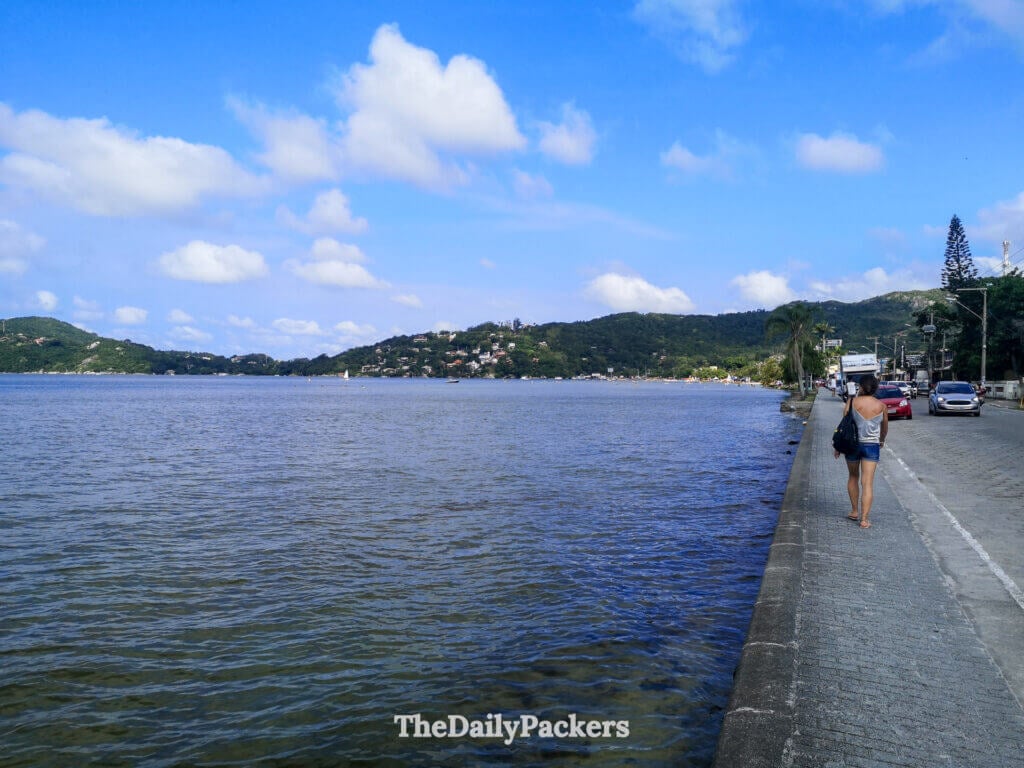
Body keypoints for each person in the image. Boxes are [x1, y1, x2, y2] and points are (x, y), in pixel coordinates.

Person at [834, 374, 888, 528]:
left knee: (853, 476)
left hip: (852, 445)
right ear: (875, 388)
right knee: (868, 483)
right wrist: (881, 440)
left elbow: (843, 425)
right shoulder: (881, 406)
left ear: (861, 387)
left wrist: (837, 446)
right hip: (872, 446)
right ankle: (864, 520)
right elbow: (884, 428)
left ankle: (854, 511)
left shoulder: (851, 402)